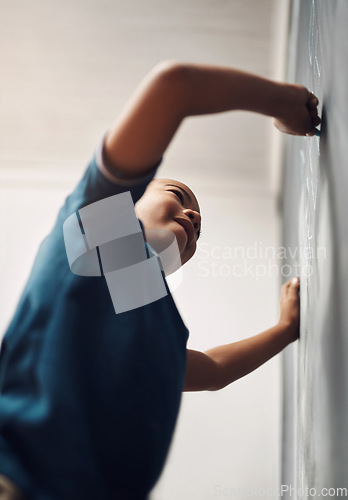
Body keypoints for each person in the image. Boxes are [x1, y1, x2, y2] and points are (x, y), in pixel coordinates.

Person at [0, 61, 320, 500]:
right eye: (177, 195)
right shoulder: (92, 234)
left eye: (199, 223)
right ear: (131, 199)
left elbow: (213, 369)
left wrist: (285, 331)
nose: (192, 215)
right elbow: (176, 86)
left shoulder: (147, 314)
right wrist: (285, 103)